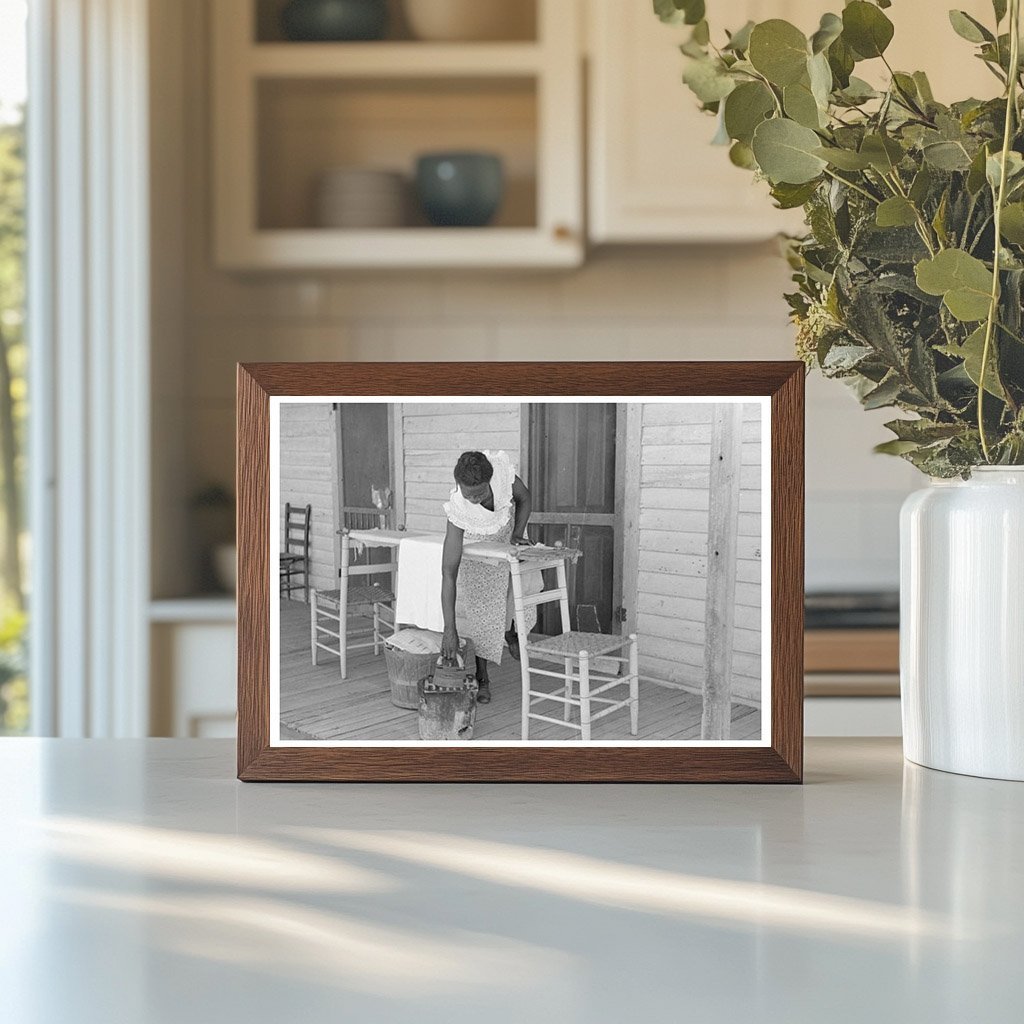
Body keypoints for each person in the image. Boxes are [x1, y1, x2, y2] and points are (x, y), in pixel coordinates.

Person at [440, 450, 532, 704]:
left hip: (507, 532)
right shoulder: (459, 511)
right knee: (484, 610)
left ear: (491, 481)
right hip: (478, 549)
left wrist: (518, 532)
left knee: (522, 588)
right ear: (459, 487)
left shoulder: (502, 475)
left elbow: (525, 498)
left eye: (480, 493)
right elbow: (448, 573)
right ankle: (482, 677)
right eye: (469, 494)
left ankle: (511, 631)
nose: (475, 499)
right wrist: (450, 630)